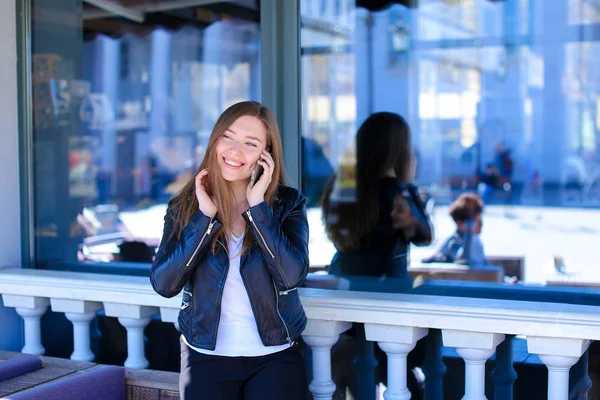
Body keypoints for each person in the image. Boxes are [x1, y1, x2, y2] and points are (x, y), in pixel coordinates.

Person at [150, 101, 309, 400]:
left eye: (250, 143)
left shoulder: (288, 204)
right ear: (215, 140)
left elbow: (291, 276)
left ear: (266, 155)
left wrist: (258, 207)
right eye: (228, 136)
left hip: (274, 356)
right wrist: (204, 218)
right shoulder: (184, 206)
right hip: (204, 356)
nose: (235, 150)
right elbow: (164, 284)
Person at [321, 112, 433, 399]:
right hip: (387, 299)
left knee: (355, 378)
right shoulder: (397, 191)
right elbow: (425, 236)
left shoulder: (341, 184)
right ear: (397, 151)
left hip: (345, 295)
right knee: (405, 377)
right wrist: (411, 194)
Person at [423, 192, 487, 266]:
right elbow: (464, 259)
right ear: (460, 223)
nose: (481, 224)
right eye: (477, 221)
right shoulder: (454, 242)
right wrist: (469, 234)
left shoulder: (475, 240)